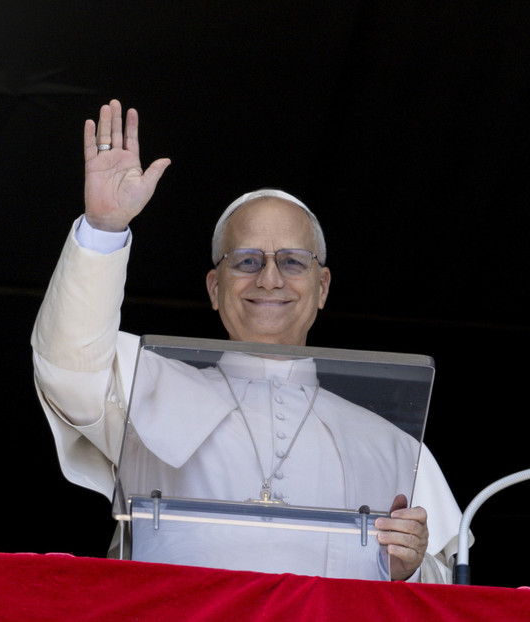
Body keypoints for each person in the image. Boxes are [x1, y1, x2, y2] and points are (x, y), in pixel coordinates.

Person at [31, 100, 461, 582]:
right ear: (215, 289)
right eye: (247, 261)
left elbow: (447, 588)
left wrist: (408, 567)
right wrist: (104, 228)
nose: (270, 280)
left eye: (294, 261)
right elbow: (67, 369)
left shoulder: (396, 448)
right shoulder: (145, 389)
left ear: (322, 288)